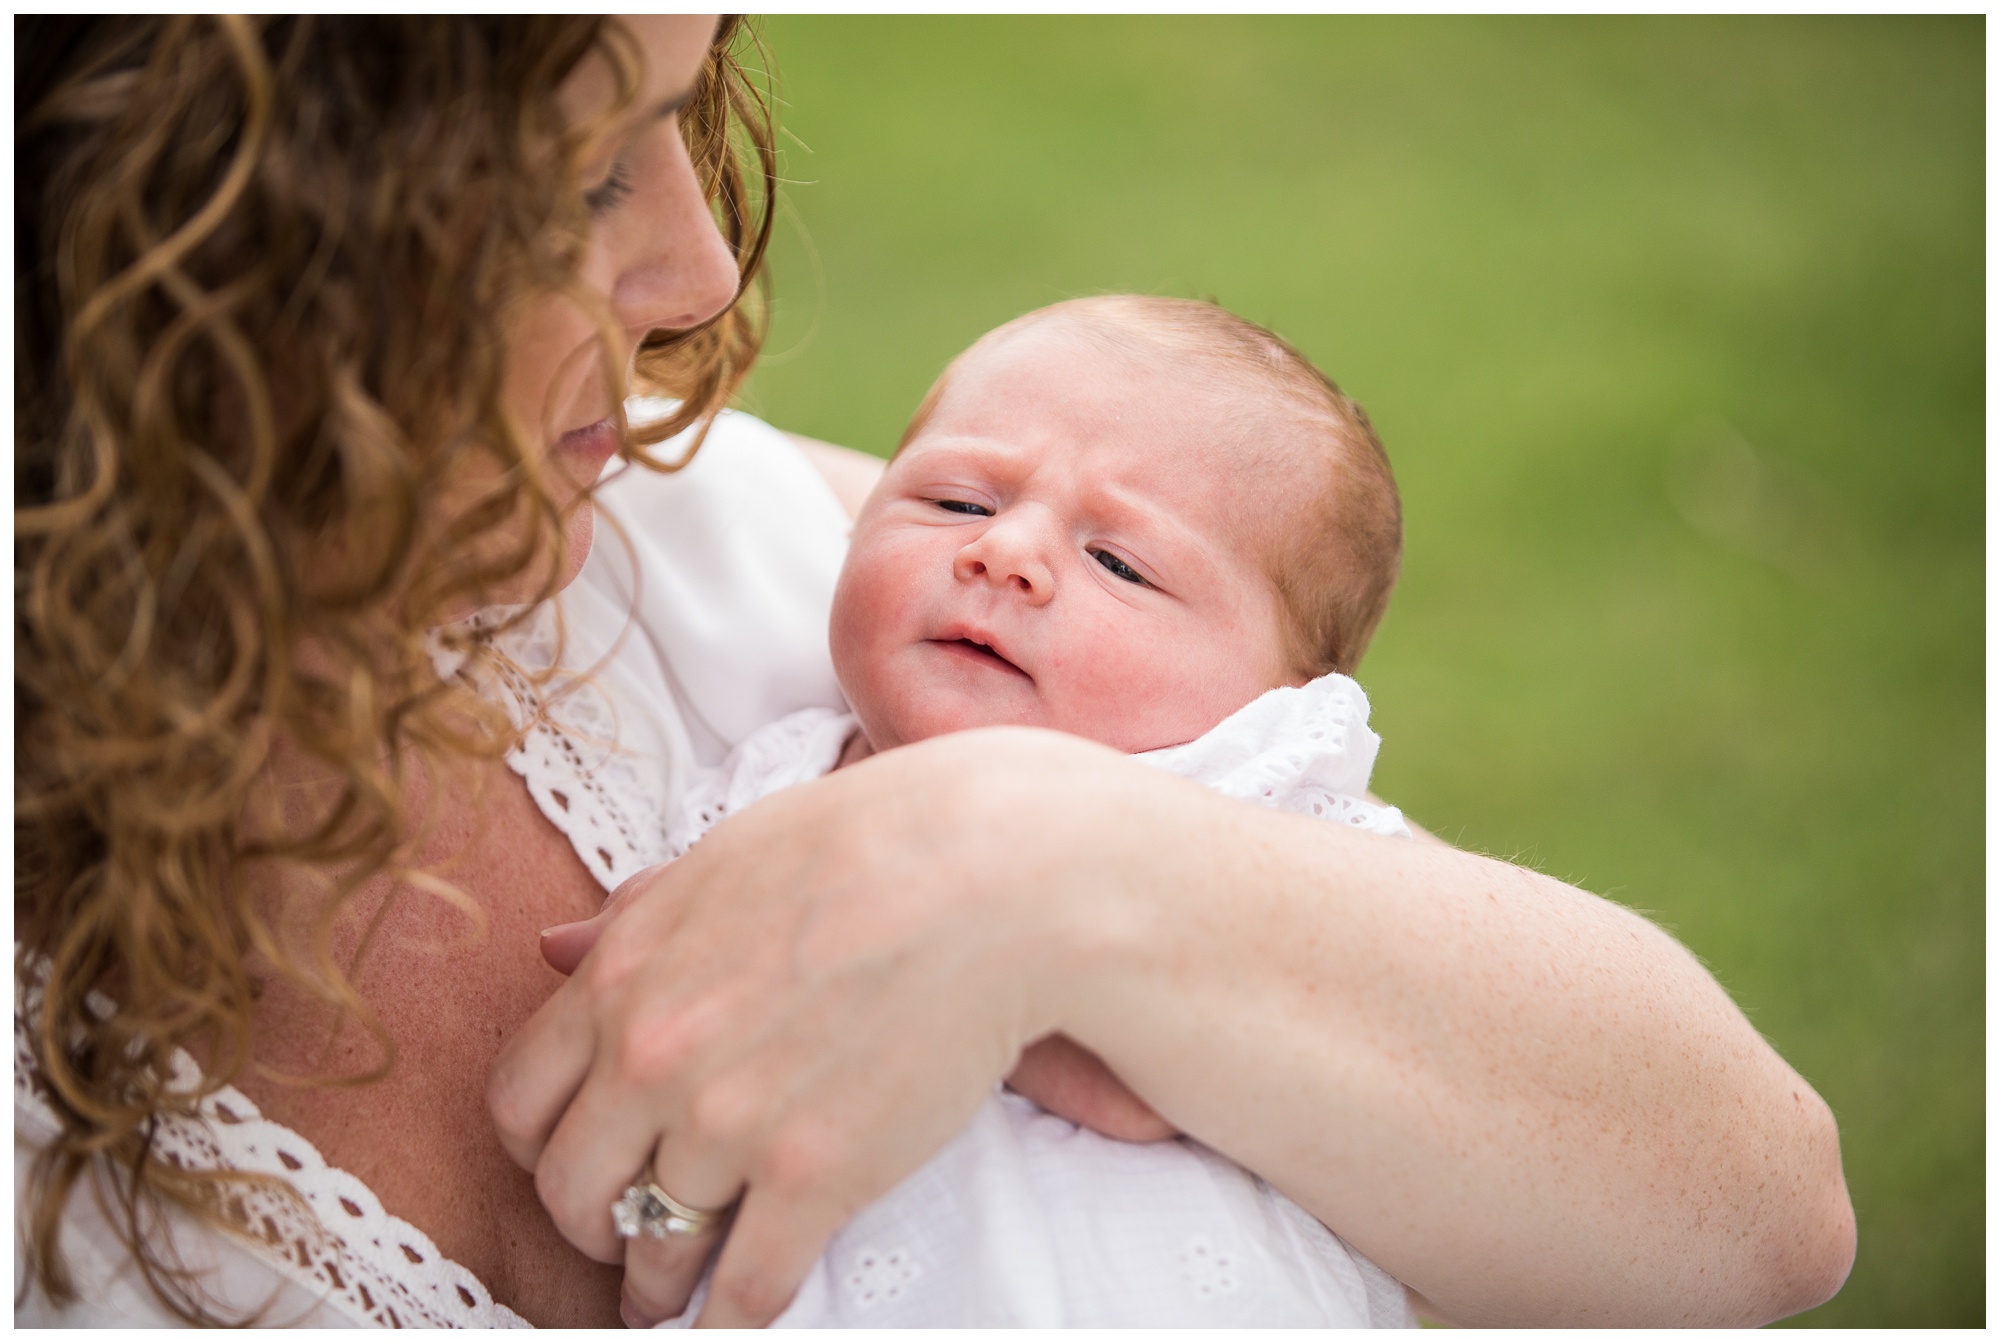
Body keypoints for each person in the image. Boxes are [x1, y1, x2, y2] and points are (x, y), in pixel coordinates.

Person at [14, 13, 1855, 1332]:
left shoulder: (722, 555)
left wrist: (1046, 859)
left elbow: (1760, 1213)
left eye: (685, 106)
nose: (698, 261)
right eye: (576, 182)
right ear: (177, 265)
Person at [567, 293, 1421, 1325]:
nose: (1002, 551)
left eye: (1120, 562)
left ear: (1283, 698)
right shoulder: (772, 771)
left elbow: (1226, 1065)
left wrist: (947, 983)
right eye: (955, 501)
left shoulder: (1248, 812)